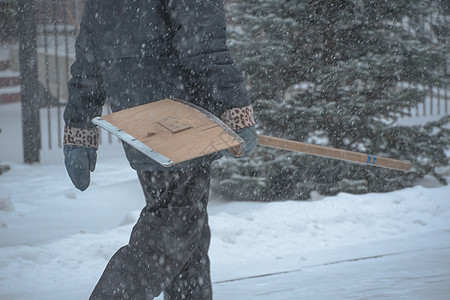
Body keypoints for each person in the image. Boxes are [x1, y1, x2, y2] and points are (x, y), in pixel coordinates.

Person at [63, 1, 257, 299]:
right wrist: (234, 108)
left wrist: (78, 130)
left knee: (186, 240)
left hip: (139, 123)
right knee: (169, 236)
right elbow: (202, 46)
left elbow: (89, 56)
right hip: (180, 123)